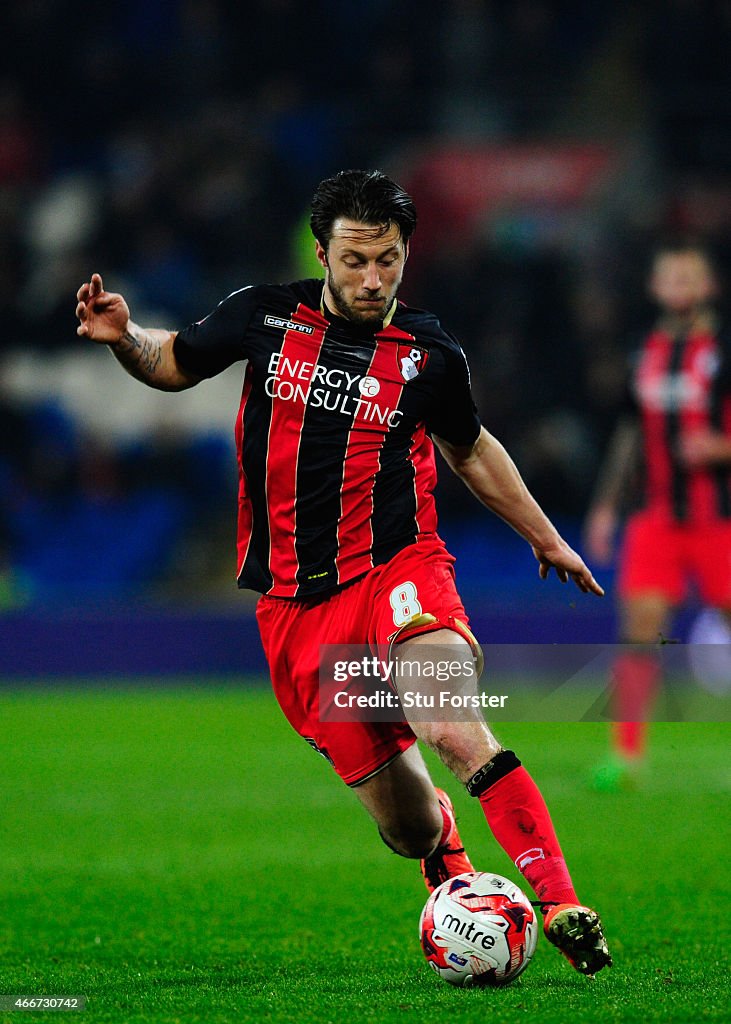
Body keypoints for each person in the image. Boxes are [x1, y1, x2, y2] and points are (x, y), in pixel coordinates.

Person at [76, 169, 611, 977]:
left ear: (405, 255)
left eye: (388, 260)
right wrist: (124, 337)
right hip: (295, 610)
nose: (372, 279)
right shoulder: (262, 314)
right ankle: (451, 867)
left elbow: (469, 448)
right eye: (356, 260)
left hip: (397, 570)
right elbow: (173, 363)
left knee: (452, 726)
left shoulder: (429, 356)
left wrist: (544, 536)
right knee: (409, 830)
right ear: (322, 252)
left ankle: (561, 900)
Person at [584, 240, 731, 789]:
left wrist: (720, 449)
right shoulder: (642, 352)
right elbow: (627, 435)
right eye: (669, 276)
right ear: (656, 287)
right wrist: (604, 507)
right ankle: (627, 758)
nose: (679, 286)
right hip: (655, 520)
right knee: (638, 632)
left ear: (707, 285)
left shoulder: (724, 350)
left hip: (720, 520)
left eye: (689, 277)